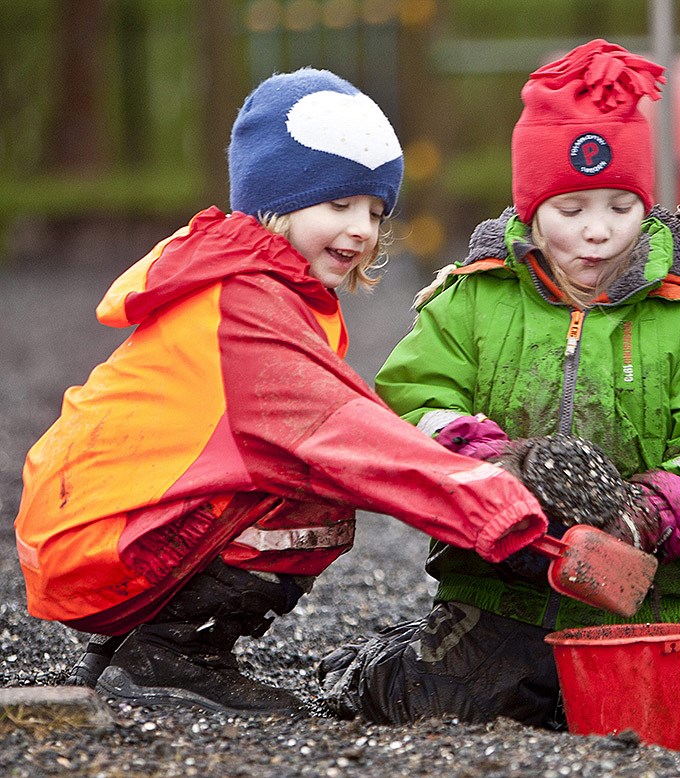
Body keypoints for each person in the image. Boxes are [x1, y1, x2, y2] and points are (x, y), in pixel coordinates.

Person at [13, 68, 549, 717]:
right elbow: (346, 435)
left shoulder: (252, 284)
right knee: (315, 496)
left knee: (297, 475)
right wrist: (497, 507)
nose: (361, 230)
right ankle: (169, 658)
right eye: (338, 204)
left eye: (377, 212)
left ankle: (141, 642)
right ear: (276, 200)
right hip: (104, 547)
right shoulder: (247, 310)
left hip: (96, 530)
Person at [316, 39, 680, 760]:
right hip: (503, 591)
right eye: (570, 207)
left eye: (621, 205)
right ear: (531, 210)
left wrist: (649, 514)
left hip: (648, 598)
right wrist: (497, 460)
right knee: (436, 705)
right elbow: (409, 402)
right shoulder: (473, 301)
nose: (597, 230)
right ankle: (378, 665)